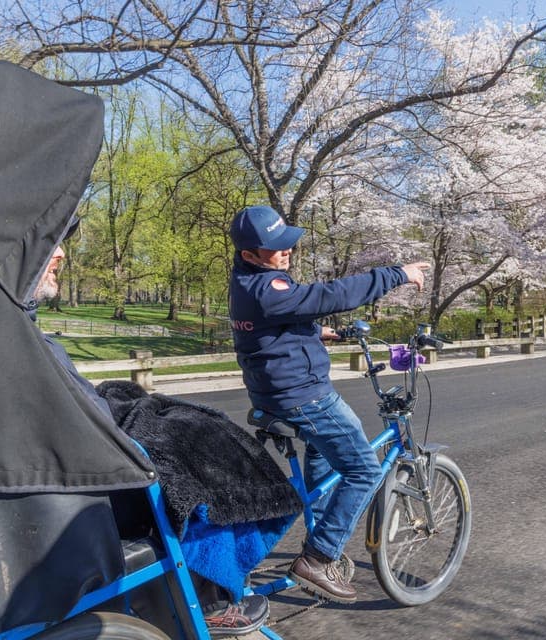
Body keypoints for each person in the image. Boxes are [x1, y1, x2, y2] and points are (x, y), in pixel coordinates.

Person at [31, 246, 269, 636]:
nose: (59, 252)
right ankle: (212, 597)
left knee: (189, 427)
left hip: (72, 463)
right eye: (46, 243)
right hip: (86, 486)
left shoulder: (11, 331)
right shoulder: (19, 339)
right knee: (201, 463)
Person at [228, 205, 429, 604]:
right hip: (303, 396)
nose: (286, 253)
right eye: (275, 248)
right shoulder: (267, 289)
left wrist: (315, 331)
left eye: (287, 245)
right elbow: (329, 295)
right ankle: (318, 559)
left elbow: (274, 322)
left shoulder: (250, 281)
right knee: (363, 470)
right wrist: (396, 274)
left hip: (276, 392)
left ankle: (309, 532)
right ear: (249, 254)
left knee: (322, 467)